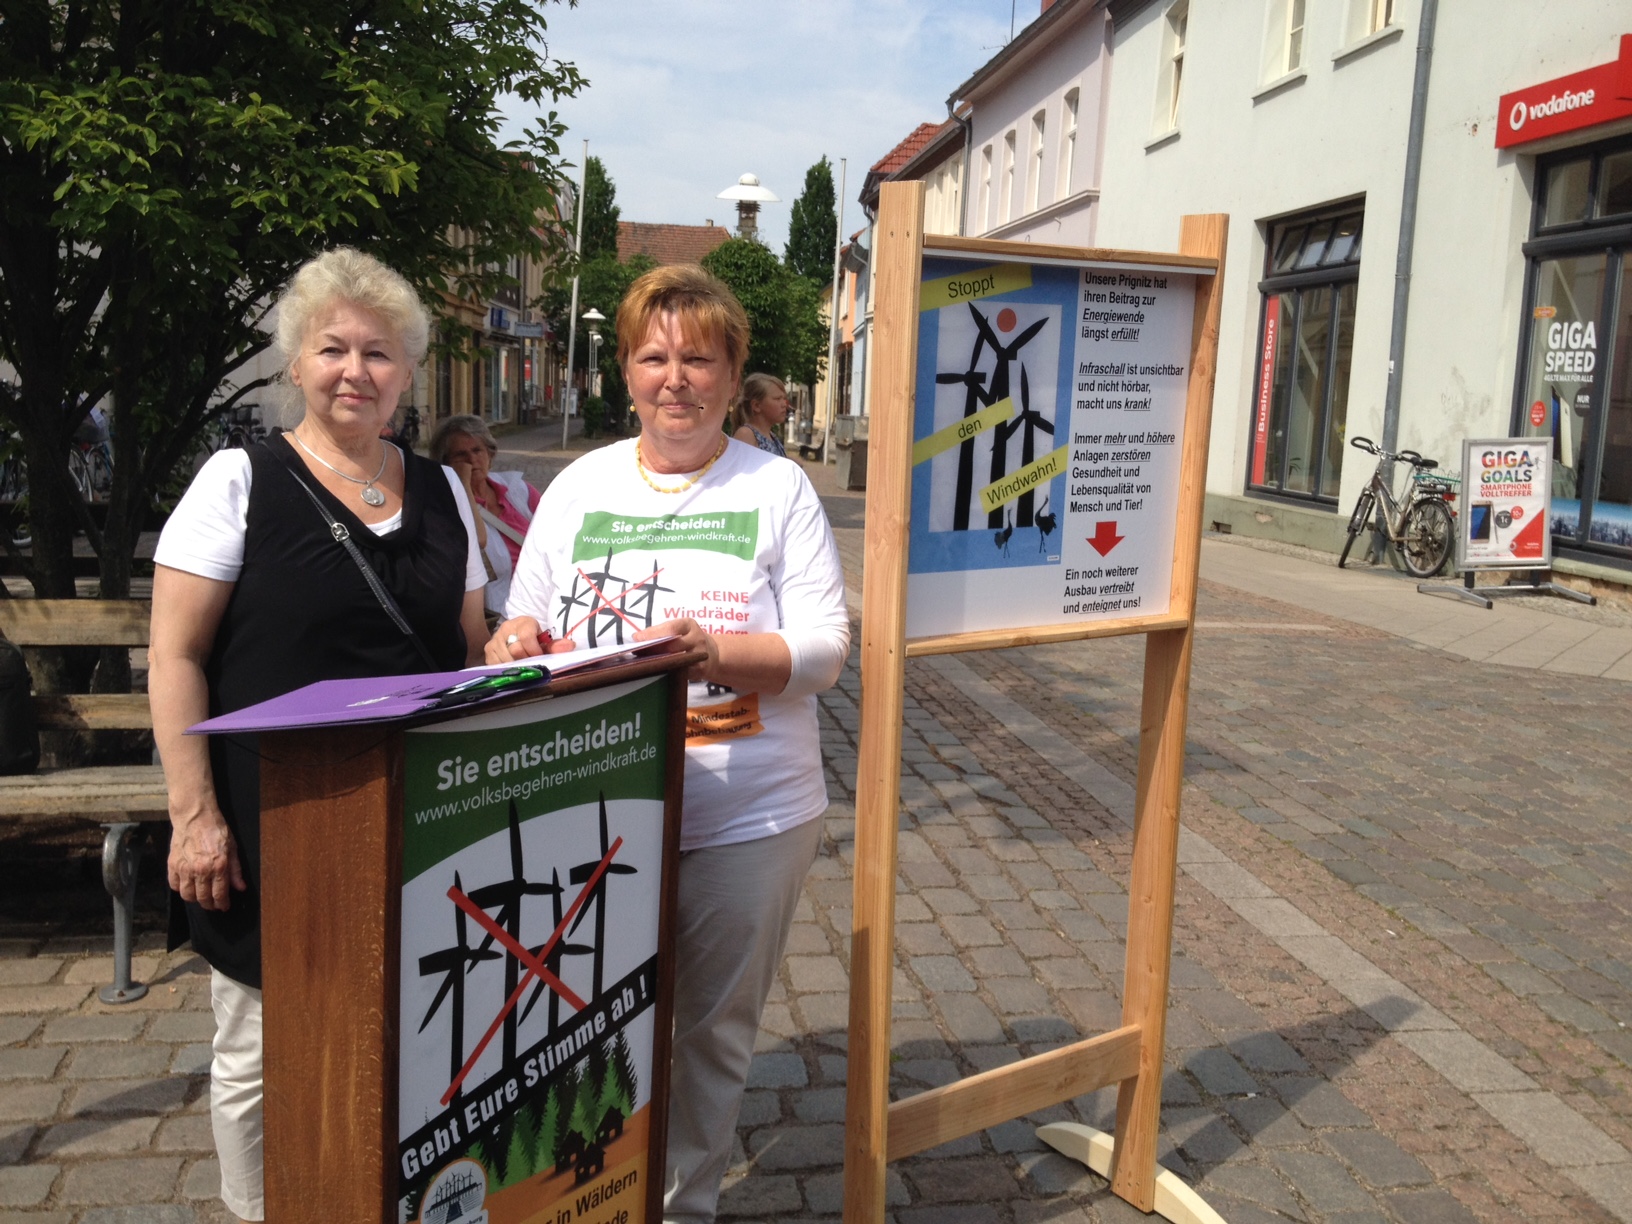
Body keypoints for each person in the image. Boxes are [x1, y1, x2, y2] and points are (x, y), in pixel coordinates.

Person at [487, 265, 849, 1224]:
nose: (676, 377)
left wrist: (715, 652)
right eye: (655, 356)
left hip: (747, 814)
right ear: (627, 372)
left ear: (734, 377)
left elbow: (823, 652)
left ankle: (684, 1209)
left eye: (700, 358)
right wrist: (511, 641)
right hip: (592, 807)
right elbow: (516, 622)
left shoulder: (779, 489)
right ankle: (586, 1203)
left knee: (711, 1038)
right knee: (580, 1028)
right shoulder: (578, 485)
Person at [148, 247, 488, 1224]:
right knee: (258, 1046)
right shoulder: (238, 481)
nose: (354, 371)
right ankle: (259, 1211)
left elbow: (466, 654)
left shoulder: (443, 493)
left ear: (408, 372)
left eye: (378, 353)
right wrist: (193, 817)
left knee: (407, 1026)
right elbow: (174, 656)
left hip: (420, 819)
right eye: (331, 348)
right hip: (270, 820)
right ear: (295, 363)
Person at [430, 413, 541, 617]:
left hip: (541, 599)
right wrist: (462, 484)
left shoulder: (518, 489)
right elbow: (477, 541)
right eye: (461, 455)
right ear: (446, 463)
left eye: (477, 450)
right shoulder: (445, 505)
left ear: (489, 454)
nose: (472, 460)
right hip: (499, 612)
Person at [731, 371, 790, 457]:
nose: (784, 404)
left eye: (784, 398)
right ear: (756, 406)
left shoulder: (771, 435)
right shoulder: (746, 435)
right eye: (777, 399)